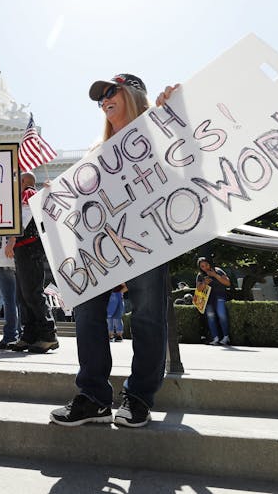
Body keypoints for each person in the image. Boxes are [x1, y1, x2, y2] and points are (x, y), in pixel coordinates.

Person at [50, 74, 171, 428]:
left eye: (109, 91)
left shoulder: (159, 127)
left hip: (149, 236)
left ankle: (138, 398)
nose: (103, 101)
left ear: (133, 92)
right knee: (87, 311)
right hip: (102, 245)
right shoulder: (98, 151)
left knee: (147, 314)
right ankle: (93, 396)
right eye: (99, 98)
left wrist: (175, 108)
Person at [6, 172, 59, 353]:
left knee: (32, 293)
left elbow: (26, 214)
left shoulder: (28, 193)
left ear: (22, 182)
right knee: (24, 294)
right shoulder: (30, 194)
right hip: (26, 249)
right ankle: (29, 334)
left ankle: (48, 335)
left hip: (29, 248)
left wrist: (12, 239)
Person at [0, 236, 19, 349]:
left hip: (3, 259)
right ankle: (18, 334)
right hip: (5, 258)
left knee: (9, 300)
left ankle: (10, 335)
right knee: (15, 300)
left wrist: (11, 241)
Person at [196, 256, 232, 345]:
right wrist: (204, 282)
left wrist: (215, 275)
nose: (205, 267)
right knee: (211, 318)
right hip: (207, 300)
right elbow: (199, 289)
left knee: (221, 315)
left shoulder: (218, 270)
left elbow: (227, 283)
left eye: (206, 265)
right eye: (202, 266)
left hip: (219, 296)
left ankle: (226, 337)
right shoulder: (200, 275)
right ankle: (215, 338)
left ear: (210, 263)